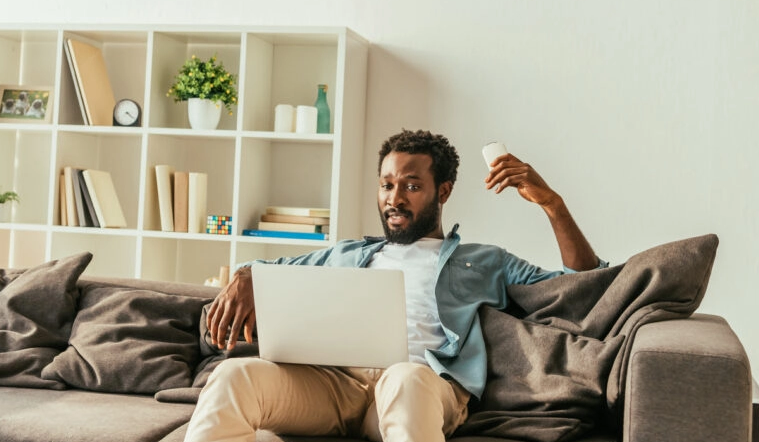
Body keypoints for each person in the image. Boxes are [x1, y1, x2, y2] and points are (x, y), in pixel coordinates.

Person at [184, 129, 606, 442]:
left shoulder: (484, 260)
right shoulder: (346, 254)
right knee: (234, 376)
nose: (394, 198)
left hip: (422, 383)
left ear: (443, 191)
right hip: (335, 386)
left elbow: (582, 287)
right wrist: (246, 274)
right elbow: (270, 270)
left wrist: (553, 204)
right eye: (387, 185)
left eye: (411, 185)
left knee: (405, 378)